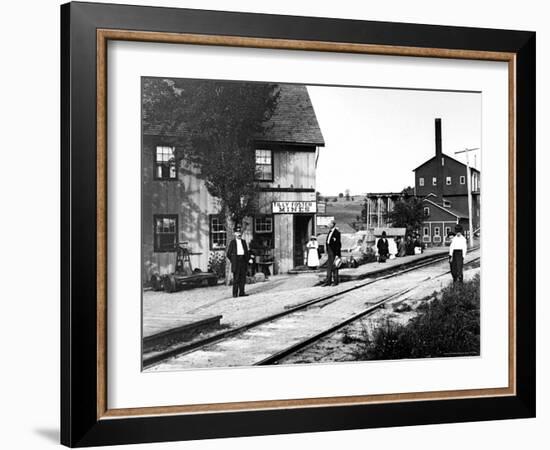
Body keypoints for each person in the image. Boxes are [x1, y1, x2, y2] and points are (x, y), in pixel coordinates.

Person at [226, 226, 249, 297]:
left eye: (240, 232)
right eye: (237, 232)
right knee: (236, 278)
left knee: (243, 278)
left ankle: (242, 292)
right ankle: (235, 293)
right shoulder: (232, 242)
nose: (239, 234)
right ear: (234, 234)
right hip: (236, 262)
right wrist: (233, 260)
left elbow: (246, 252)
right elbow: (228, 254)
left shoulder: (243, 242)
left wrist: (247, 260)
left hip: (243, 261)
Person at [323, 220, 341, 286]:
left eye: (329, 224)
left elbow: (338, 244)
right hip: (329, 251)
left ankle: (335, 281)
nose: (328, 225)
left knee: (335, 266)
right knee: (329, 267)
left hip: (334, 252)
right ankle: (328, 281)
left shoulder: (337, 233)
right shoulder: (329, 232)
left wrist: (337, 254)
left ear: (333, 224)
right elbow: (328, 242)